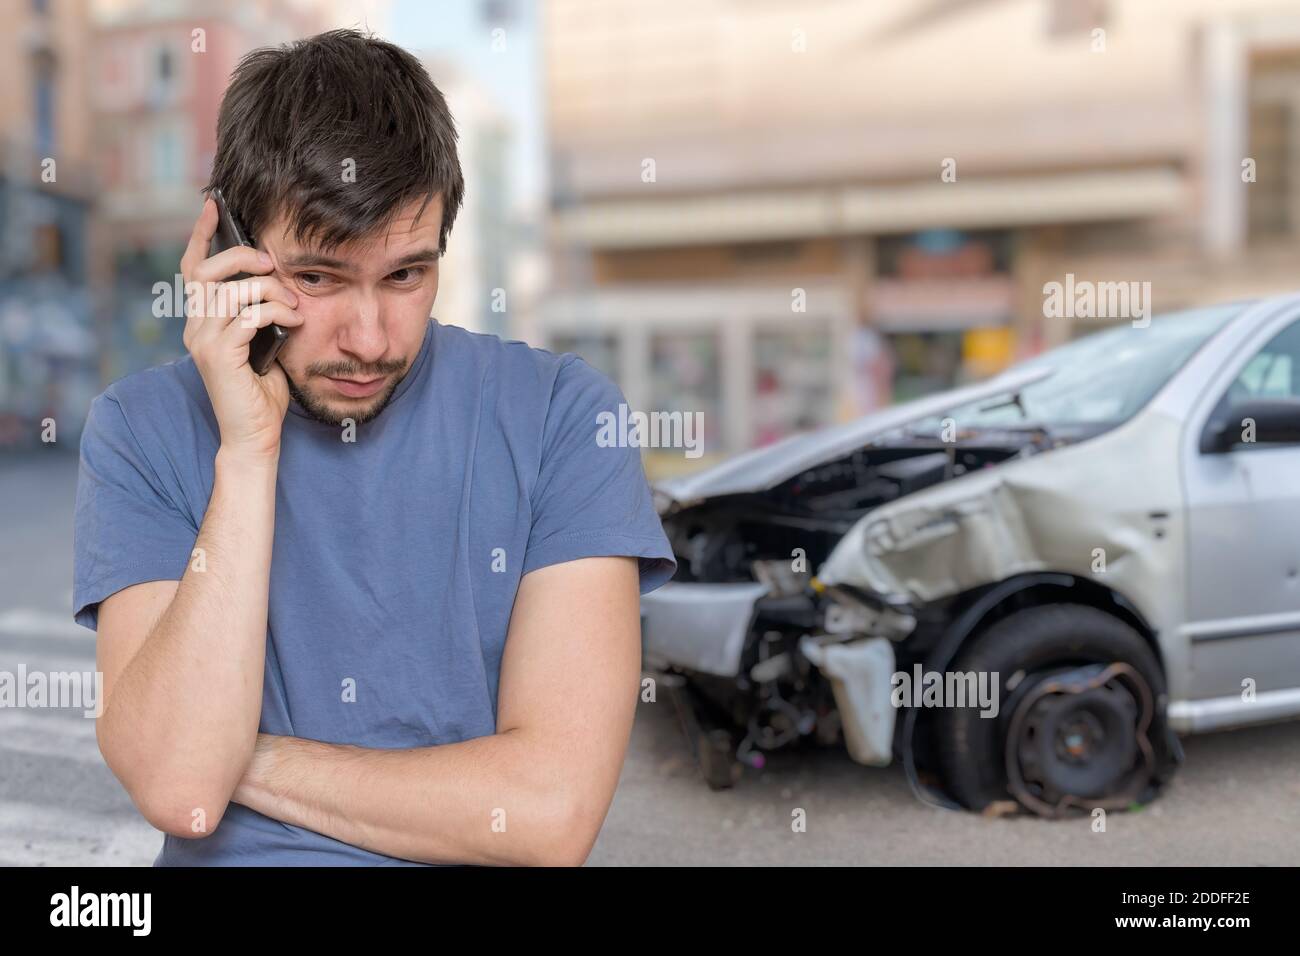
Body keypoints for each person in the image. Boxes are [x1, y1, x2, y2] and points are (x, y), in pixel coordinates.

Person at [72, 29, 675, 866]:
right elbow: (182, 790)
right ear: (230, 253)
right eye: (317, 279)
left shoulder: (564, 418)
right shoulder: (140, 431)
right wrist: (247, 453)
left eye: (404, 275)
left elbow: (546, 812)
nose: (370, 338)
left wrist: (237, 754)